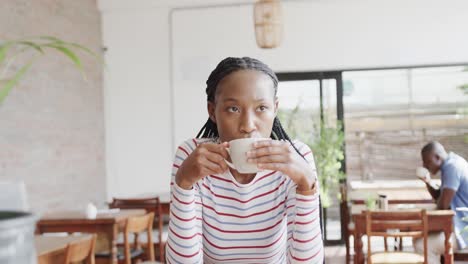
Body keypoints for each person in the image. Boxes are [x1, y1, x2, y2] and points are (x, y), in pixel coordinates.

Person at [165, 57, 324, 263]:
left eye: (261, 108)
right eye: (233, 109)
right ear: (212, 111)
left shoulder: (296, 157)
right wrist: (183, 183)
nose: (248, 125)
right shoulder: (193, 156)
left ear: (275, 109)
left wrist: (307, 186)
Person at [415, 141, 468, 263]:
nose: (425, 166)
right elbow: (440, 196)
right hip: (459, 225)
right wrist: (427, 182)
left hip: (464, 230)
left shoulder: (452, 168)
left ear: (437, 158)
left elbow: (443, 205)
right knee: (420, 238)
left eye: (427, 162)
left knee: (422, 245)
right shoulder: (452, 163)